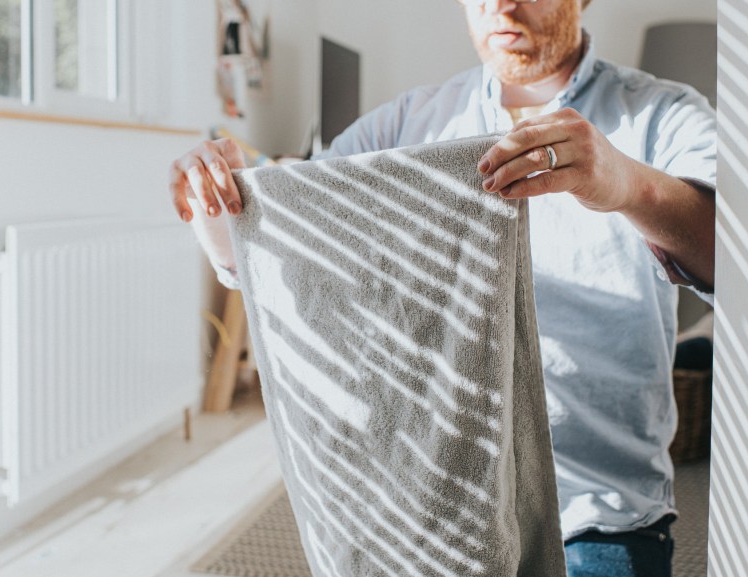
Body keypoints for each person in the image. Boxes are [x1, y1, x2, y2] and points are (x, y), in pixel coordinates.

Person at [168, 0, 716, 575]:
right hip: (435, 502)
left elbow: (731, 254)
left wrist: (625, 181)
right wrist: (216, 199)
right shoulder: (408, 123)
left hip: (597, 513)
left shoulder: (661, 115)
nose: (500, 4)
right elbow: (287, 238)